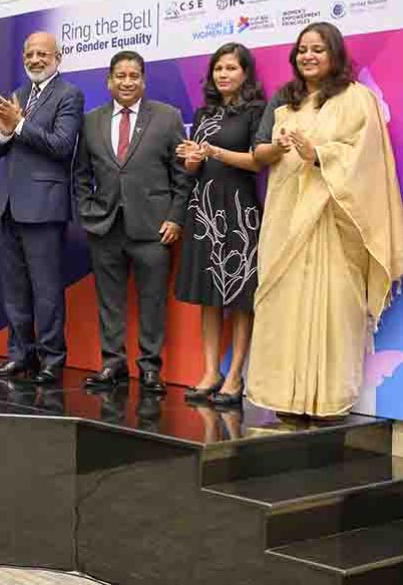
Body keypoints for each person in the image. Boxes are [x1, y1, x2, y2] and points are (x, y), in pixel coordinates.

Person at [248, 22, 403, 418]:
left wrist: (319, 154)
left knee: (332, 314)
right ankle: (284, 400)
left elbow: (367, 161)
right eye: (302, 49)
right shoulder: (286, 104)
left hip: (335, 228)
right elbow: (264, 156)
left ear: (334, 54)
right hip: (287, 226)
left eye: (318, 49)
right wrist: (279, 148)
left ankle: (326, 403)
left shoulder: (357, 99)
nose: (308, 56)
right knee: (284, 309)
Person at [73, 50, 190, 393]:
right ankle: (113, 364)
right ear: (109, 81)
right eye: (120, 76)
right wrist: (87, 210)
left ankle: (150, 368)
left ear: (143, 80)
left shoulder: (167, 117)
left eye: (134, 75)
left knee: (152, 301)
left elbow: (181, 176)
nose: (127, 82)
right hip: (105, 227)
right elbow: (81, 174)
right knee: (109, 300)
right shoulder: (91, 120)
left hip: (153, 228)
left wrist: (175, 217)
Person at [0, 32, 84, 383]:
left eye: (43, 54)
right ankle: (19, 356)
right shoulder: (19, 95)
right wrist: (4, 132)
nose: (35, 59)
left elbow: (61, 146)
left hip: (45, 208)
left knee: (46, 291)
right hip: (10, 206)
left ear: (58, 57)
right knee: (14, 290)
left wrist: (21, 125)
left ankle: (52, 360)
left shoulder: (69, 95)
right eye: (29, 54)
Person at [174, 43, 266, 407]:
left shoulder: (257, 111)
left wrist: (215, 151)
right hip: (204, 210)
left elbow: (258, 162)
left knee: (241, 297)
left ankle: (234, 376)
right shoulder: (203, 113)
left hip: (240, 209)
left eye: (231, 68)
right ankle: (210, 371)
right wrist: (193, 159)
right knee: (208, 296)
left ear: (245, 73)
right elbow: (193, 169)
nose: (223, 74)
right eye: (218, 69)